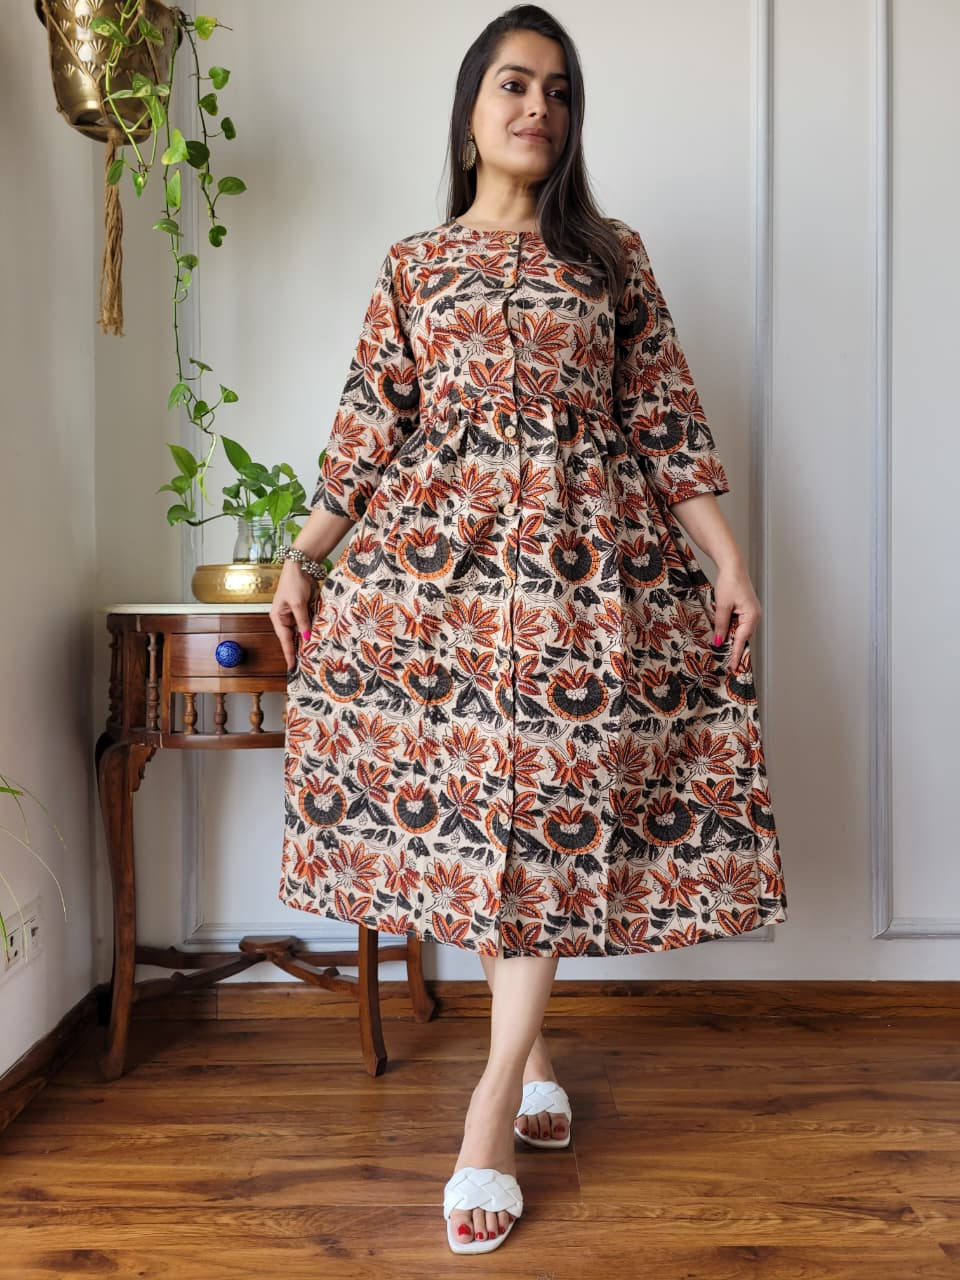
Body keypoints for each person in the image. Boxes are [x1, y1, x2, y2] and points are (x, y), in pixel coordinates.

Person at [270, 3, 788, 1256]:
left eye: (559, 92)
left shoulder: (611, 257)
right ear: (468, 109)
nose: (538, 111)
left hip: (582, 570)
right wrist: (300, 556)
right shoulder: (411, 264)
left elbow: (666, 413)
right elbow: (366, 429)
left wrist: (728, 560)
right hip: (438, 585)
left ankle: (493, 1100)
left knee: (547, 801)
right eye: (514, 86)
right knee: (483, 811)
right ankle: (535, 1051)